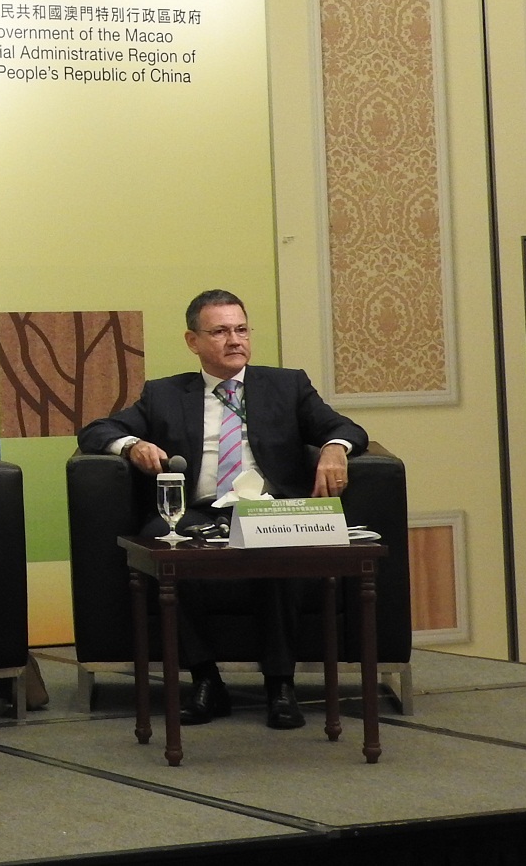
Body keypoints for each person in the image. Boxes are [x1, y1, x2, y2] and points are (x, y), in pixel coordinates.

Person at [76, 288, 367, 730]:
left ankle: (280, 684)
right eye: (220, 332)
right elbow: (96, 430)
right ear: (193, 341)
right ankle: (206, 679)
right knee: (164, 544)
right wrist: (132, 445)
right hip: (198, 511)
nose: (235, 340)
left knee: (281, 551)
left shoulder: (287, 386)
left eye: (241, 329)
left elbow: (345, 427)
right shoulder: (165, 394)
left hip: (269, 510)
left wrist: (334, 447)